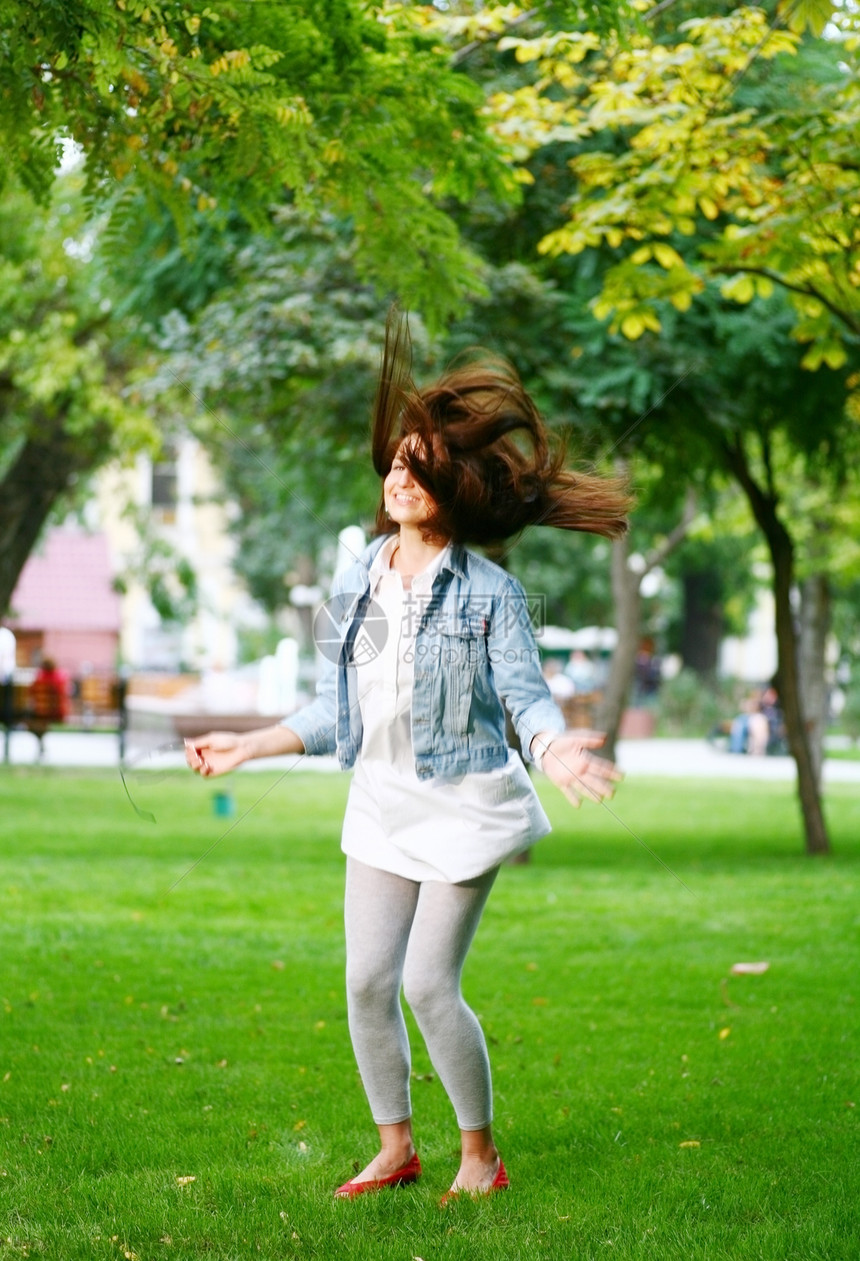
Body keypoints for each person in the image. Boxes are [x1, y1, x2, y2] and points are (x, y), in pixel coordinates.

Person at [185, 311, 632, 1202]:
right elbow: (331, 709)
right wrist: (249, 745)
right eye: (394, 463)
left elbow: (525, 697)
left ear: (447, 486)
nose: (397, 476)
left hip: (465, 802)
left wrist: (551, 748)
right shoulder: (357, 578)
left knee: (430, 984)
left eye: (415, 467)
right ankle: (397, 1147)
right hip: (384, 801)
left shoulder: (492, 593)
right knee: (364, 981)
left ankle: (480, 1154)